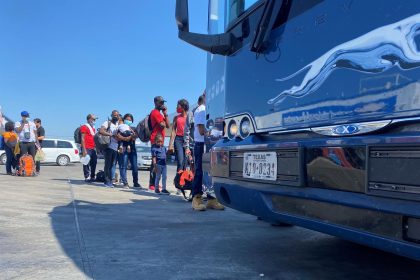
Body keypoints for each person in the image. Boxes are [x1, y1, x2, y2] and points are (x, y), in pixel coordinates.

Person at [189, 94, 224, 211]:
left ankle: (211, 199)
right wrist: (216, 133)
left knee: (210, 173)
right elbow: (202, 130)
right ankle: (196, 198)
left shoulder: (208, 110)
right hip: (201, 145)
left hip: (208, 144)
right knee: (199, 172)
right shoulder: (201, 110)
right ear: (205, 96)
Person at [100, 110, 128, 188]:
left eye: (117, 115)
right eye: (114, 115)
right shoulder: (107, 123)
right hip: (108, 147)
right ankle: (107, 181)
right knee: (108, 164)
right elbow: (101, 131)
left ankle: (110, 181)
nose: (116, 116)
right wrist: (111, 135)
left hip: (115, 148)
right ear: (111, 115)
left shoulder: (118, 125)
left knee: (112, 165)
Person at [148, 96, 170, 191]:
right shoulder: (155, 112)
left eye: (163, 102)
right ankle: (152, 183)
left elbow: (168, 125)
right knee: (155, 162)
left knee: (159, 161)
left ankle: (155, 182)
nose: (162, 104)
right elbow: (162, 125)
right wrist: (164, 120)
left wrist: (165, 114)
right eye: (160, 102)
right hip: (155, 140)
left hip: (160, 140)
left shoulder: (161, 114)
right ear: (155, 102)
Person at [117, 113, 143, 189]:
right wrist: (127, 138)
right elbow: (118, 137)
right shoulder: (120, 127)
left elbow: (135, 137)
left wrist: (131, 136)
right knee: (123, 166)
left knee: (135, 166)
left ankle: (136, 182)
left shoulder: (133, 129)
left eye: (130, 120)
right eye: (127, 119)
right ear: (124, 120)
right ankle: (125, 183)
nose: (128, 121)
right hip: (123, 148)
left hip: (132, 149)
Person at [168, 99, 189, 172]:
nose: (176, 107)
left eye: (178, 106)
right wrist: (170, 145)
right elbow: (173, 131)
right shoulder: (176, 118)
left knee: (185, 163)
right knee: (180, 161)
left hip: (187, 140)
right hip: (178, 140)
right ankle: (178, 182)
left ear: (183, 107)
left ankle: (183, 181)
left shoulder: (190, 117)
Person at [80, 114, 98, 183]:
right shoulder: (84, 127)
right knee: (86, 162)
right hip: (86, 147)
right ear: (89, 119)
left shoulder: (93, 128)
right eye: (93, 119)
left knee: (94, 162)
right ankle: (87, 176)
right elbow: (82, 138)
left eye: (95, 119)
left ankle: (92, 176)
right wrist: (84, 149)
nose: (94, 121)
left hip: (93, 148)